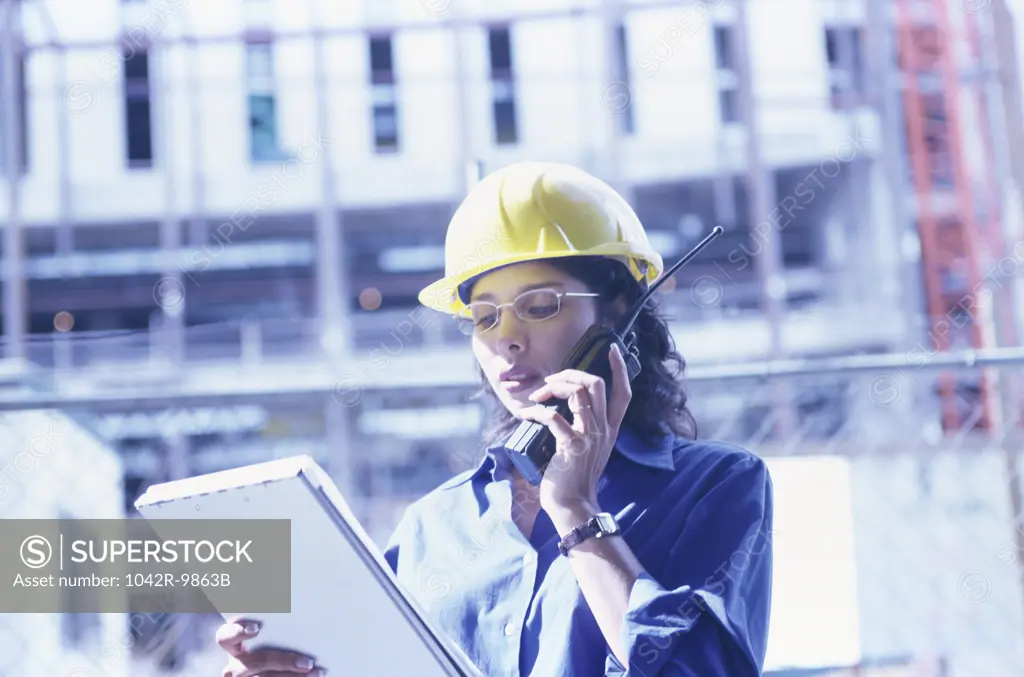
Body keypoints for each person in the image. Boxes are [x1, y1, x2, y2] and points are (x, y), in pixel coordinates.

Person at [216, 161, 774, 676]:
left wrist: (576, 512)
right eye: (485, 318)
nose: (507, 337)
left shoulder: (717, 487)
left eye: (539, 306)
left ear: (618, 311)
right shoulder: (429, 529)